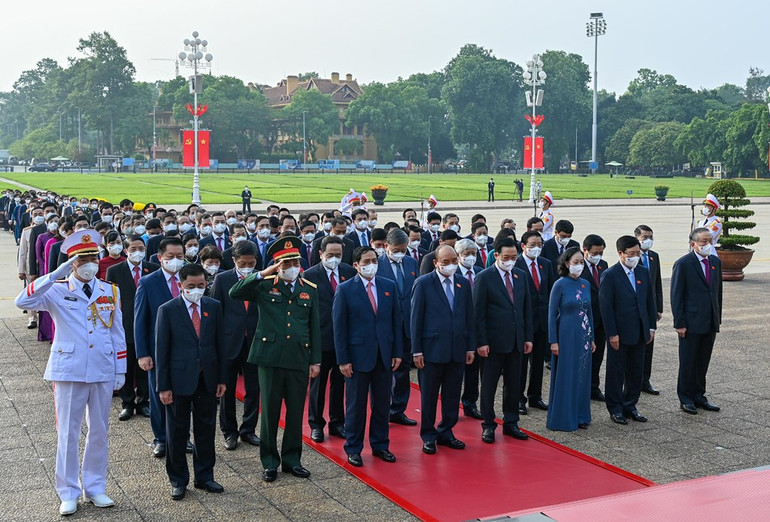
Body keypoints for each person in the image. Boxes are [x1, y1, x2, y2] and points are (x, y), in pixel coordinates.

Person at [15, 230, 126, 516]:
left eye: (93, 257)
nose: (89, 263)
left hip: (102, 367)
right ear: (71, 262)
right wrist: (52, 275)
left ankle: (95, 486)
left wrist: (120, 369)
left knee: (99, 431)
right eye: (82, 258)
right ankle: (68, 491)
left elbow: (117, 332)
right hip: (69, 369)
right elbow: (22, 302)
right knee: (68, 433)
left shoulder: (109, 290)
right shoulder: (56, 289)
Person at [229, 236, 321, 482]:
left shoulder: (308, 289)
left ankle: (292, 460)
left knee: (294, 413)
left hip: (299, 358)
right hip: (269, 358)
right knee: (269, 413)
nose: (291, 268)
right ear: (277, 266)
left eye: (295, 262)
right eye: (285, 264)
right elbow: (234, 292)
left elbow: (314, 328)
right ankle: (269, 461)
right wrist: (261, 273)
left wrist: (316, 360)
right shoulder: (264, 285)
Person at [156, 263, 227, 500]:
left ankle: (205, 476)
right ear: (180, 285)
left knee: (205, 429)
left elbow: (219, 345)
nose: (196, 290)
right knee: (177, 432)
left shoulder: (214, 307)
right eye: (191, 286)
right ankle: (178, 480)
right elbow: (162, 351)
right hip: (178, 381)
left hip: (206, 378)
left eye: (201, 286)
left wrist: (221, 379)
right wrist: (163, 386)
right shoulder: (168, 310)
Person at [333, 246, 402, 467]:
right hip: (357, 357)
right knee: (356, 406)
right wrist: (343, 359)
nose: (371, 264)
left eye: (374, 260)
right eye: (366, 261)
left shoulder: (388, 286)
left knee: (382, 404)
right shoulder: (345, 289)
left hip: (384, 355)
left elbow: (395, 323)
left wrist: (397, 352)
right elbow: (339, 327)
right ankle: (353, 447)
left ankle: (381, 444)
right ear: (356, 265)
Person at [412, 244, 476, 454]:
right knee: (429, 396)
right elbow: (416, 319)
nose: (450, 266)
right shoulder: (423, 283)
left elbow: (469, 317)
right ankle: (428, 435)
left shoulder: (463, 283)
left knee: (451, 395)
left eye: (453, 261)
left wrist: (470, 347)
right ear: (435, 263)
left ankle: (446, 431)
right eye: (445, 262)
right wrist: (417, 350)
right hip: (431, 350)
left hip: (457, 349)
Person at [473, 236, 533, 443]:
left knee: (513, 384)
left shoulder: (521, 275)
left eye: (514, 257)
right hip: (493, 342)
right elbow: (478, 313)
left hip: (516, 341)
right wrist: (481, 341)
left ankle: (511, 422)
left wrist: (527, 337)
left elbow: (526, 309)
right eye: (506, 257)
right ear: (496, 256)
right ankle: (488, 424)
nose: (510, 261)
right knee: (489, 385)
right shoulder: (485, 277)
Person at [135, 237, 188, 458]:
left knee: (184, 397)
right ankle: (161, 439)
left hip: (185, 351)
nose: (175, 261)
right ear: (160, 258)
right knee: (159, 397)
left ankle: (182, 438)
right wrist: (143, 353)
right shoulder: (148, 282)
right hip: (158, 352)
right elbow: (139, 320)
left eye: (180, 257)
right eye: (170, 257)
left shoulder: (190, 279)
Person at [599, 236, 657, 426]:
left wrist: (651, 327)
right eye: (630, 254)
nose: (634, 257)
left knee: (636, 371)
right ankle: (615, 408)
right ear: (620, 254)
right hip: (620, 333)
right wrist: (612, 333)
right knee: (616, 371)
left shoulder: (643, 272)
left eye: (637, 254)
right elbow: (606, 308)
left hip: (640, 331)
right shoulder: (610, 275)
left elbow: (649, 301)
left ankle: (630, 405)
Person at [303, 236, 356, 442]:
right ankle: (316, 424)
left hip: (343, 339)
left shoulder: (349, 272)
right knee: (318, 383)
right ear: (320, 254)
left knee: (339, 383)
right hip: (320, 338)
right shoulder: (309, 275)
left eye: (338, 255)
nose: (334, 259)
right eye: (330, 255)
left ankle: (337, 423)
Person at [210, 240, 261, 450]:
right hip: (229, 342)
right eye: (242, 263)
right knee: (227, 389)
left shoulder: (262, 277)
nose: (247, 266)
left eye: (250, 263)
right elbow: (215, 311)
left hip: (255, 341)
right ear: (234, 261)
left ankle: (248, 429)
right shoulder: (222, 279)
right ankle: (229, 432)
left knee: (254, 388)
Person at [106, 235, 159, 421]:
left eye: (141, 248)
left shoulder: (153, 268)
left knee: (146, 365)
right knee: (126, 366)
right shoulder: (114, 270)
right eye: (133, 249)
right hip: (124, 324)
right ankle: (127, 403)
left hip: (147, 324)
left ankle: (144, 402)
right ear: (125, 250)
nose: (138, 252)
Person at [671, 227, 723, 415]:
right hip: (691, 322)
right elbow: (677, 295)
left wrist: (717, 317)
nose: (708, 244)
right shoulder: (683, 264)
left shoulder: (715, 262)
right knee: (688, 361)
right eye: (704, 241)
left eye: (710, 240)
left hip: (709, 321)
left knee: (703, 360)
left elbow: (717, 292)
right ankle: (685, 397)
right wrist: (680, 323)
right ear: (693, 244)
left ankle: (699, 394)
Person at [547, 247, 595, 431]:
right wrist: (553, 341)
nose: (579, 266)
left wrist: (591, 338)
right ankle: (564, 417)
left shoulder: (585, 284)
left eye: (581, 262)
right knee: (567, 375)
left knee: (582, 375)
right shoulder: (560, 284)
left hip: (583, 335)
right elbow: (551, 314)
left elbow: (589, 311)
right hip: (566, 334)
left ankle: (581, 415)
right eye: (575, 262)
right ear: (567, 264)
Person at [376, 228, 419, 426]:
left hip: (407, 325)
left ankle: (398, 410)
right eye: (396, 249)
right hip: (385, 326)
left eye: (403, 249)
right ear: (386, 247)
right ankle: (381, 410)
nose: (400, 253)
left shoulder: (411, 262)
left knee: (403, 370)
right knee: (384, 371)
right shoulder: (376, 264)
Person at [515, 231, 554, 415]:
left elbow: (551, 292)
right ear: (523, 246)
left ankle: (535, 396)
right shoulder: (516, 265)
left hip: (541, 321)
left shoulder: (546, 264)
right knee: (521, 364)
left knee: (538, 362)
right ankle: (518, 398)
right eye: (532, 244)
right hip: (523, 323)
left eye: (539, 244)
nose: (536, 248)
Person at [580, 234, 609, 402]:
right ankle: (582, 387)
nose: (598, 256)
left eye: (601, 252)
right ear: (585, 251)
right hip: (583, 319)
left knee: (597, 355)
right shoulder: (577, 266)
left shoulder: (603, 265)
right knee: (583, 356)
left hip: (600, 319)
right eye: (595, 252)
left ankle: (594, 387)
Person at [635, 225, 663, 395]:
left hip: (650, 308)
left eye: (651, 237)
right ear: (637, 237)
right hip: (636, 308)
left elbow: (657, 284)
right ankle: (633, 380)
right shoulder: (631, 256)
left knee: (649, 344)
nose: (648, 240)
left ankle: (645, 380)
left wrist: (659, 307)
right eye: (645, 237)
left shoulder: (653, 257)